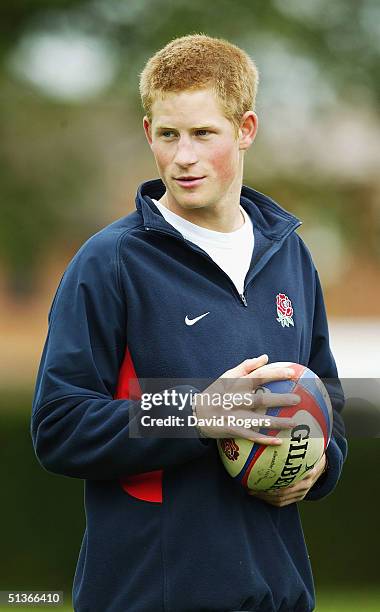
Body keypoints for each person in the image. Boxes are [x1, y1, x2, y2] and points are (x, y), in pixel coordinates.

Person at [31, 34, 347, 612]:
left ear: (246, 129)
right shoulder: (110, 261)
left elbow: (328, 398)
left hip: (280, 594)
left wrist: (321, 465)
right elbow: (58, 425)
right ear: (149, 132)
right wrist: (203, 410)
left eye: (204, 134)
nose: (183, 156)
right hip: (151, 595)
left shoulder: (291, 255)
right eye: (168, 134)